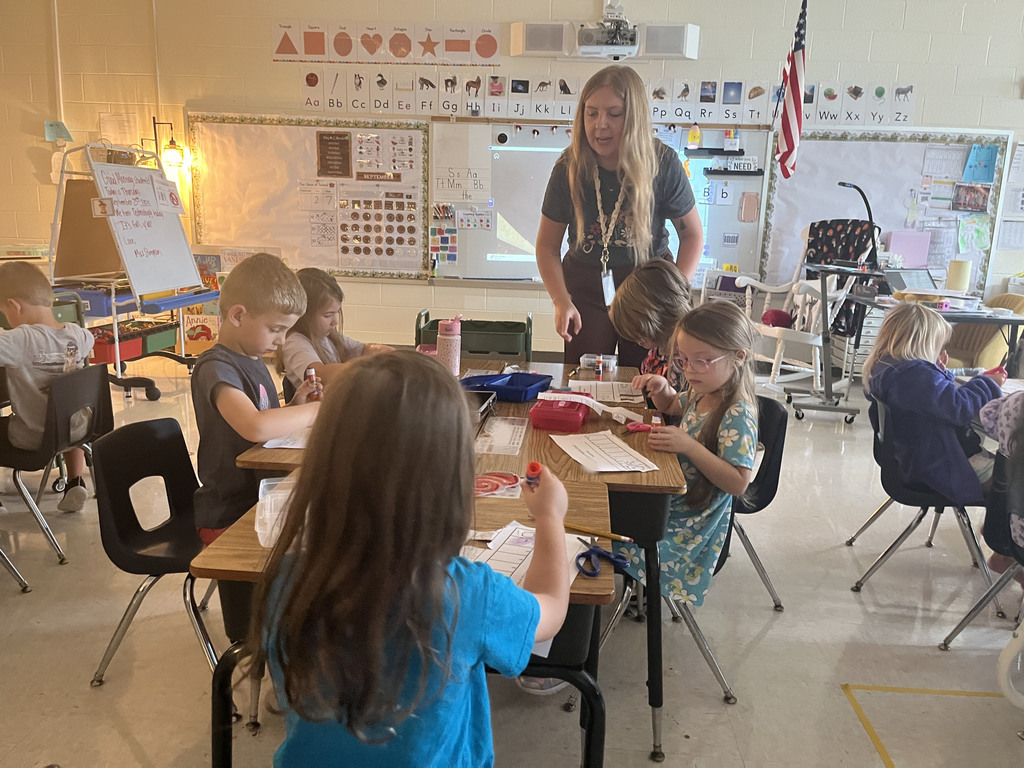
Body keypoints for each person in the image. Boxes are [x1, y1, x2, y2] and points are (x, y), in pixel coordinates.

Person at [248, 351, 570, 766]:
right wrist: (549, 518)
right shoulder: (465, 592)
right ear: (449, 479)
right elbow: (550, 611)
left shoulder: (287, 579)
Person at [536, 64, 703, 369]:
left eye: (614, 114)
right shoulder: (569, 167)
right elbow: (547, 245)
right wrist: (561, 300)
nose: (600, 125)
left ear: (635, 117)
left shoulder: (662, 164)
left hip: (647, 288)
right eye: (591, 113)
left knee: (648, 380)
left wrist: (673, 294)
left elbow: (692, 235)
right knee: (584, 378)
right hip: (586, 286)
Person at [191, 252, 320, 643]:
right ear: (237, 315)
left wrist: (294, 407)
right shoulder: (216, 366)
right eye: (276, 329)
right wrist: (318, 410)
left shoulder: (251, 357)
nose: (282, 340)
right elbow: (253, 425)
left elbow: (265, 417)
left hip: (259, 499)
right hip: (229, 510)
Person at [618, 301, 759, 604]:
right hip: (673, 501)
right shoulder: (704, 391)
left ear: (738, 357)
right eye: (683, 360)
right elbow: (672, 405)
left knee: (603, 532)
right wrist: (661, 389)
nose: (691, 370)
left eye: (703, 361)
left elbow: (738, 483)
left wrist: (689, 446)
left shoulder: (738, 413)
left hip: (688, 528)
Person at [862, 303, 1005, 508]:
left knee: (1010, 472)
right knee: (1015, 485)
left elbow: (935, 401)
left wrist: (939, 373)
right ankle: (998, 531)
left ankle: (995, 527)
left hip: (912, 462)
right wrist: (989, 383)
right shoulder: (915, 376)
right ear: (923, 344)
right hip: (941, 467)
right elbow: (958, 408)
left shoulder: (886, 368)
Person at [0, 262, 94, 512]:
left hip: (35, 437)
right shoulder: (78, 335)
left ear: (15, 306)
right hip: (76, 430)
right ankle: (75, 482)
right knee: (67, 409)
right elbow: (90, 339)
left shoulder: (19, 340)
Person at [278, 268, 392, 393]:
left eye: (336, 313)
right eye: (327, 315)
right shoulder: (294, 342)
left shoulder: (327, 337)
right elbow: (320, 374)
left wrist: (388, 354)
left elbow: (364, 349)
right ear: (304, 314)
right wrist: (368, 369)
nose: (335, 321)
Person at [609, 258, 691, 390]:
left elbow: (685, 406)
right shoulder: (657, 351)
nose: (638, 342)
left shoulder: (687, 359)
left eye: (640, 335)